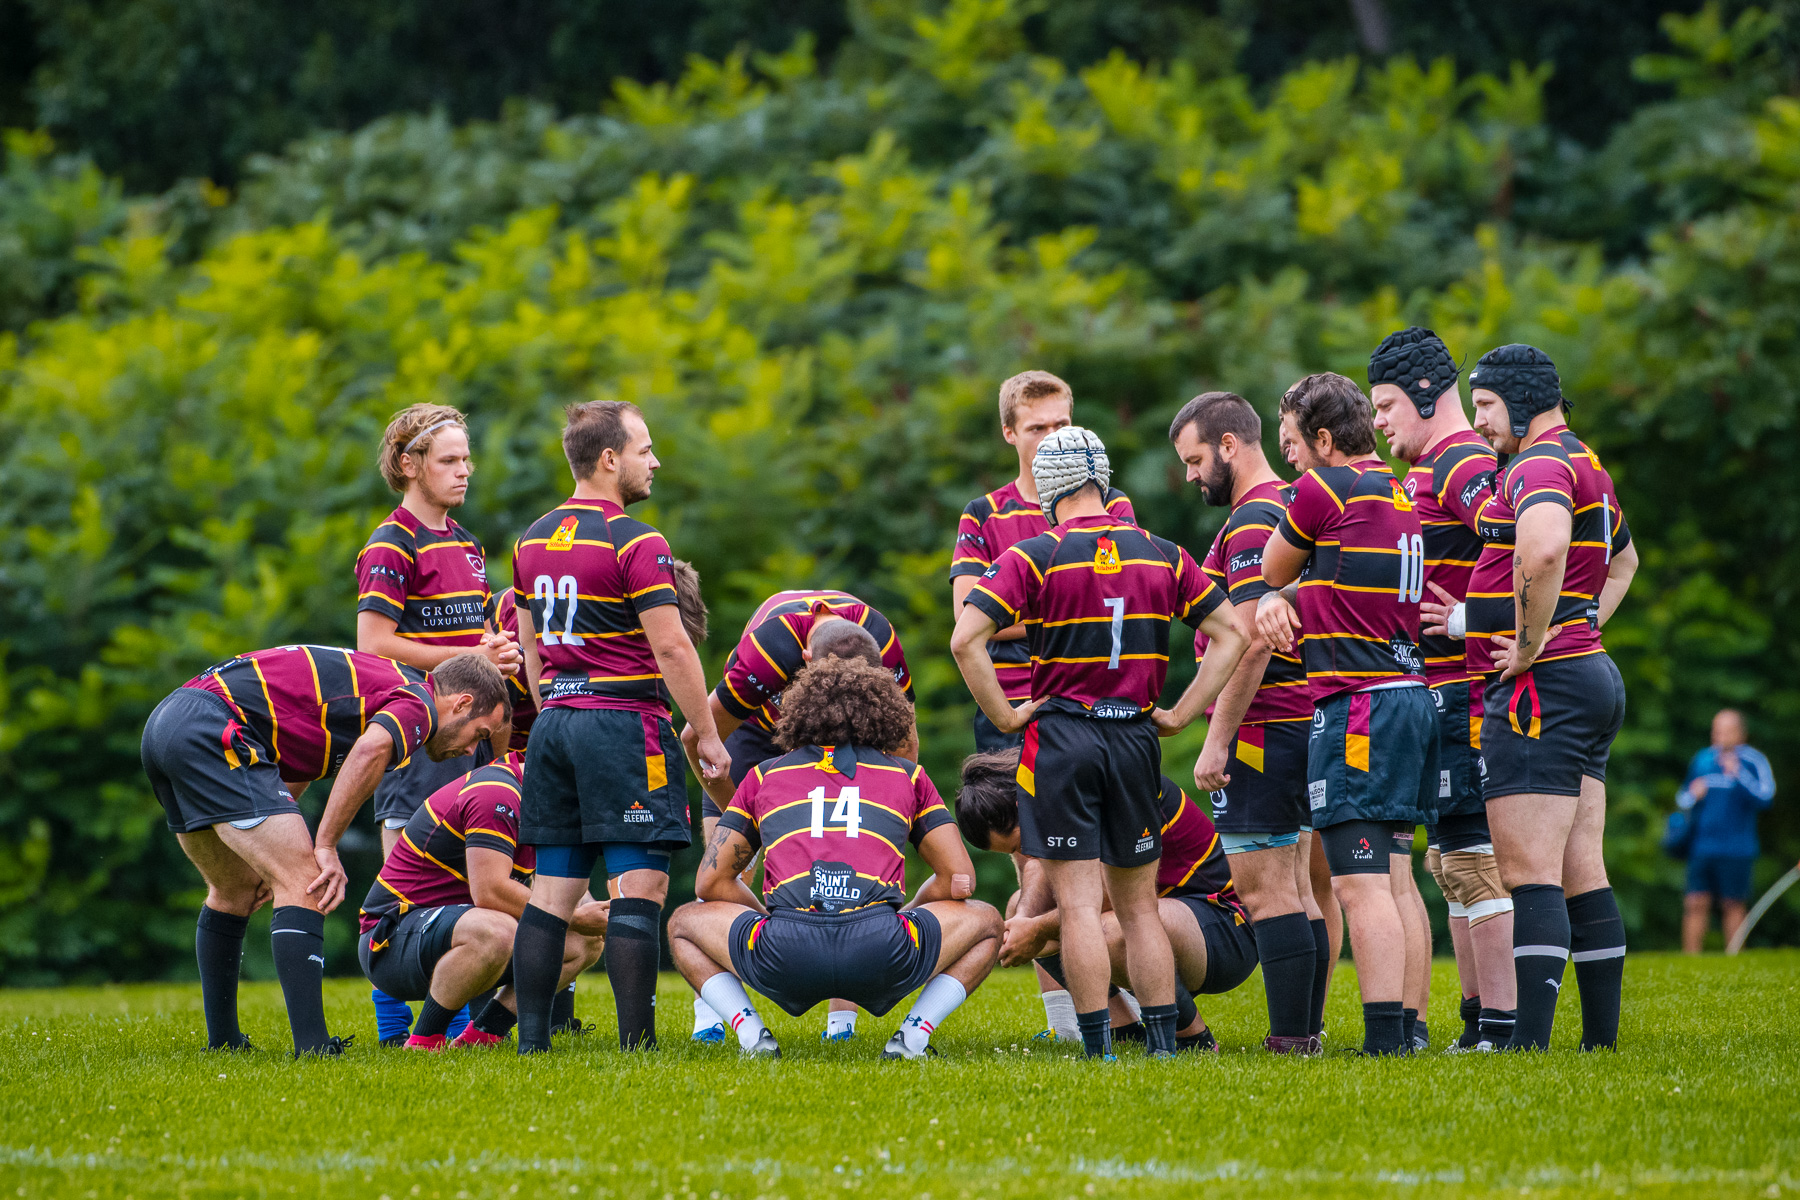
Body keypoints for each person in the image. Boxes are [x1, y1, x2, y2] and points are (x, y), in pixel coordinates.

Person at [951, 426, 1250, 1059]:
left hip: (1062, 738)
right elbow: (1231, 635)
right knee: (1139, 907)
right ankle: (1167, 1046)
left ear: (1048, 492)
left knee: (1082, 908)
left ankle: (1098, 1049)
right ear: (1104, 481)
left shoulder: (1031, 555)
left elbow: (965, 639)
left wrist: (1006, 717)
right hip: (1135, 737)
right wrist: (1179, 715)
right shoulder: (1163, 554)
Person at [140, 647, 509, 1056]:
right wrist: (325, 845)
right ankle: (314, 1048)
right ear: (462, 703)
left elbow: (282, 775)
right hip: (212, 726)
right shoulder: (418, 698)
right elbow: (371, 751)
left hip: (169, 723)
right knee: (306, 882)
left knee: (237, 889)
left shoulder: (380, 690)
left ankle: (225, 1042)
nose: (469, 751)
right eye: (479, 735)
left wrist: (271, 855)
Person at [508, 399, 731, 1055]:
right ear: (609, 459)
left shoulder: (530, 538)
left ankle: (531, 1045)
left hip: (555, 722)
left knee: (552, 889)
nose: (654, 461)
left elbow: (529, 651)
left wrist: (556, 706)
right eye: (644, 449)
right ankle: (637, 1046)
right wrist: (707, 734)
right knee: (641, 886)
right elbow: (672, 648)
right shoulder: (636, 540)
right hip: (623, 723)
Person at [667, 656, 1002, 1059]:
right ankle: (912, 1040)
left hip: (784, 952)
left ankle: (753, 1037)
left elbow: (710, 883)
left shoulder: (762, 776)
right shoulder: (909, 777)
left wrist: (766, 918)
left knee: (683, 923)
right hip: (882, 951)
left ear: (797, 714)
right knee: (987, 921)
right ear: (886, 716)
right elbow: (959, 880)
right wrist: (907, 914)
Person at [1255, 372, 1438, 1056]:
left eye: (1294, 443)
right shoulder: (1398, 488)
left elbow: (1273, 566)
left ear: (1325, 439)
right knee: (1393, 875)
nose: (1291, 460)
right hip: (1412, 695)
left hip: (1358, 703)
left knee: (1360, 887)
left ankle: (1384, 1040)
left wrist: (1285, 593)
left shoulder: (1323, 488)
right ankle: (1407, 1031)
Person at [1465, 343, 1638, 1050]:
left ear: (1520, 400)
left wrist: (1536, 641)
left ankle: (1527, 1048)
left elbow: (1540, 551)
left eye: (1484, 406)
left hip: (1546, 685)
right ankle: (1598, 1043)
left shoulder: (1537, 463)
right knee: (1578, 867)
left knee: (1528, 871)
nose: (1479, 423)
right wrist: (1581, 622)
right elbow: (1624, 561)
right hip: (1589, 674)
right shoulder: (1585, 461)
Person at [1168, 391, 1332, 1054]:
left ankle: (1291, 1040)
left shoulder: (1253, 519)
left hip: (1266, 725)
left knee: (1265, 894)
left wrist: (1216, 738)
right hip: (1304, 718)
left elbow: (1250, 639)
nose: (1189, 475)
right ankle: (1307, 1033)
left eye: (1195, 458)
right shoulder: (1293, 504)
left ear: (1229, 445)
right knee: (1298, 886)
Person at [1369, 327, 1518, 1051]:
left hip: (1470, 689)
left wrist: (1472, 619)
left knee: (1472, 858)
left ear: (1426, 394)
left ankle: (1500, 1023)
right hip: (1439, 690)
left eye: (1387, 404)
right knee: (1449, 859)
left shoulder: (1460, 462)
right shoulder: (1434, 464)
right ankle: (1476, 1022)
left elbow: (1527, 536)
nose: (1379, 421)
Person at [356, 402, 522, 1044]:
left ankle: (454, 1020)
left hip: (468, 729)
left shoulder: (465, 543)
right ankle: (394, 1024)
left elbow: (473, 635)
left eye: (466, 459)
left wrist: (497, 650)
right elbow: (373, 646)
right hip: (416, 730)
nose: (464, 472)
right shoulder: (391, 542)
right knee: (405, 884)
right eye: (449, 460)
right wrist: (469, 658)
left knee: (458, 877)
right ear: (409, 464)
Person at [680, 592, 910, 1043]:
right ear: (804, 659)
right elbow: (697, 739)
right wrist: (742, 817)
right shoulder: (772, 648)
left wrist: (891, 815)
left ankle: (841, 1025)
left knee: (854, 860)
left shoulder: (881, 641)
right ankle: (713, 1015)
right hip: (755, 730)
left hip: (848, 733)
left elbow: (903, 746)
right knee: (723, 872)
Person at [956, 748, 1259, 1051]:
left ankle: (1193, 1039)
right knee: (1020, 905)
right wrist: (1023, 920)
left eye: (1022, 842)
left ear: (1025, 801)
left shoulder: (1108, 791)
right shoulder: (1055, 798)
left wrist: (1035, 930)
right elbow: (1036, 867)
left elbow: (1105, 896)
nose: (1026, 853)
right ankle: (1122, 1028)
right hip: (1167, 919)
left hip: (1225, 928)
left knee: (1111, 928)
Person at [356, 750, 607, 1049]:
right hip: (389, 944)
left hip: (455, 935)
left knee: (584, 940)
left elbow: (565, 892)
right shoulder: (496, 793)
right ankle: (424, 1040)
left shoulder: (548, 803)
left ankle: (483, 1035)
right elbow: (490, 891)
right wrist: (575, 917)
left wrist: (602, 914)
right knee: (499, 929)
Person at [950, 371, 1135, 753]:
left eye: (1062, 425)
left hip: (1095, 700)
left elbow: (1128, 598)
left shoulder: (1112, 503)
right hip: (1010, 702)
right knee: (1007, 814)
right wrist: (1073, 604)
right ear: (1009, 433)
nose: (1052, 437)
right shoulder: (983, 514)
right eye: (1036, 428)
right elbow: (966, 613)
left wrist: (1009, 609)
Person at [1680, 709, 1777, 953]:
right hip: (1702, 845)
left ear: (1740, 733)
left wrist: (1739, 774)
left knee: (1733, 903)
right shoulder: (1703, 759)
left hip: (1737, 847)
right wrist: (1694, 794)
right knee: (1695, 901)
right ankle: (1689, 959)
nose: (1718, 735)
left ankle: (1734, 956)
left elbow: (1766, 798)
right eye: (1716, 729)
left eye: (1725, 730)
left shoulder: (1754, 761)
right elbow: (1682, 799)